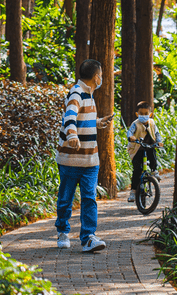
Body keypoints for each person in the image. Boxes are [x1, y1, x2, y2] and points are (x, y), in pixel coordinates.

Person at [55, 58, 113, 252]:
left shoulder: (89, 94)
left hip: (90, 160)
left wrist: (97, 122)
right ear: (96, 77)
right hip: (71, 159)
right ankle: (62, 230)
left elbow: (81, 117)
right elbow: (69, 116)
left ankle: (88, 238)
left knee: (89, 198)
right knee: (66, 198)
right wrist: (71, 134)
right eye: (102, 76)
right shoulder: (76, 92)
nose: (102, 79)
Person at [126, 99, 162, 203]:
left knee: (153, 156)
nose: (144, 116)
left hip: (149, 146)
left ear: (150, 114)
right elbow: (130, 132)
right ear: (137, 114)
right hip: (137, 148)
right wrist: (131, 137)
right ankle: (133, 191)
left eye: (146, 114)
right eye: (141, 114)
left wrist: (159, 141)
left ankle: (154, 171)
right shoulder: (135, 123)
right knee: (137, 169)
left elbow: (157, 133)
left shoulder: (152, 123)